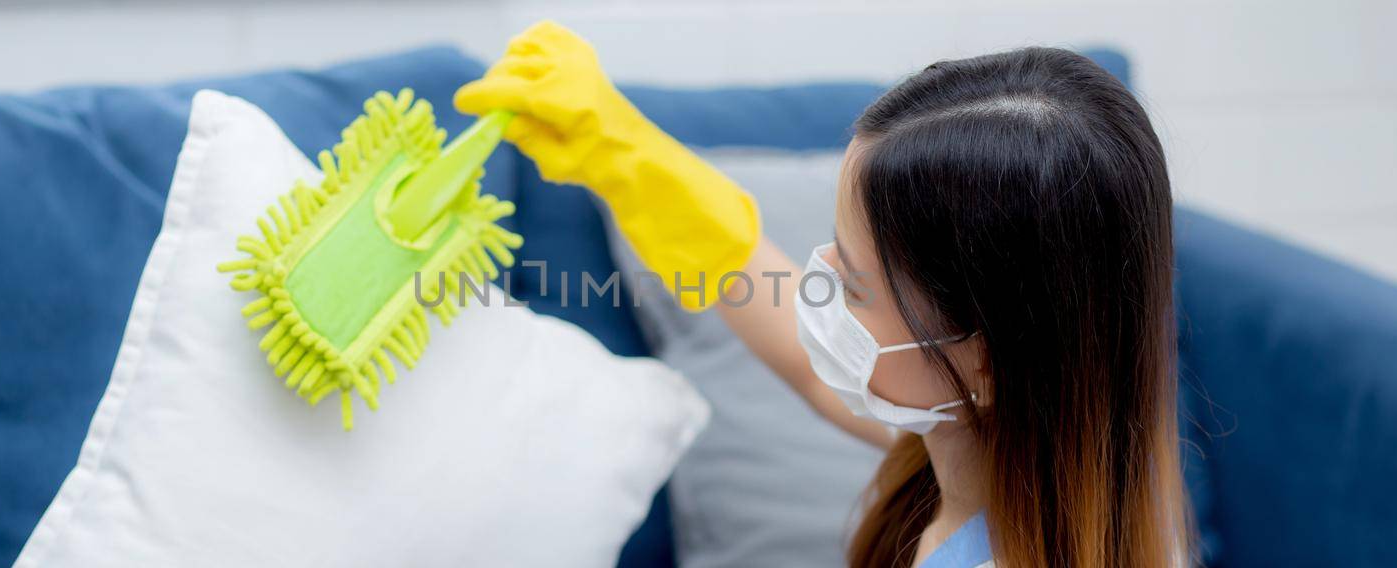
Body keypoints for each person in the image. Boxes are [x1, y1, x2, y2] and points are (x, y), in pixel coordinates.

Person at [456, 21, 1191, 568]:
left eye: (853, 283)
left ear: (988, 363)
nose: (814, 290)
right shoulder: (1006, 451)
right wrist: (624, 155)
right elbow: (812, 367)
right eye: (831, 252)